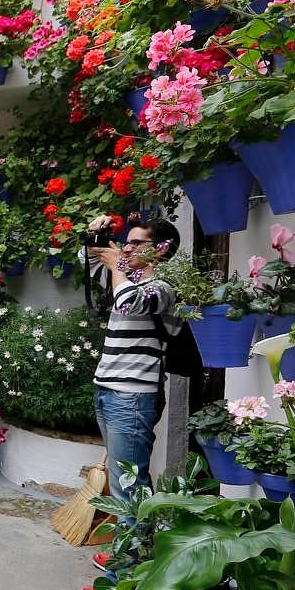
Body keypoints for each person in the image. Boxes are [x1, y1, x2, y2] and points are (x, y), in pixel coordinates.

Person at [79, 214, 181, 503]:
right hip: (108, 391)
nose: (126, 249)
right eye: (126, 243)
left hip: (133, 397)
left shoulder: (164, 288)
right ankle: (131, 545)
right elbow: (88, 261)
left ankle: (136, 548)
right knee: (121, 478)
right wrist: (95, 234)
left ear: (160, 249)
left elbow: (128, 303)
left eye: (136, 244)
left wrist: (116, 266)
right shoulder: (127, 279)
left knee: (129, 483)